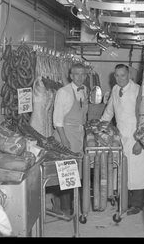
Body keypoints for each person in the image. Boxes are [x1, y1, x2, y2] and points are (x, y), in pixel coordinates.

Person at [100, 64, 144, 216]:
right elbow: (109, 111)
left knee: (138, 171)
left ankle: (137, 204)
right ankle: (126, 201)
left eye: (123, 75)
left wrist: (140, 141)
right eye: (117, 75)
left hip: (137, 134)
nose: (120, 78)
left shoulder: (138, 90)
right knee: (123, 169)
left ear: (129, 75)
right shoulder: (116, 89)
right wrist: (101, 127)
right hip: (120, 134)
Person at [51, 62, 89, 216]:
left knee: (77, 170)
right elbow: (57, 119)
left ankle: (65, 202)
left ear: (85, 76)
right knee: (67, 170)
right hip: (65, 132)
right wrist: (64, 140)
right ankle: (65, 207)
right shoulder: (63, 92)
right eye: (76, 74)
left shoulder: (85, 90)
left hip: (78, 132)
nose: (80, 77)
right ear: (71, 76)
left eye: (82, 74)